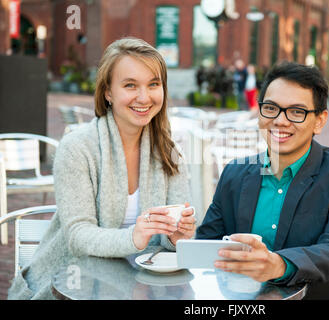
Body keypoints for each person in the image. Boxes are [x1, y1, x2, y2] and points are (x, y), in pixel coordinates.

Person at [8, 37, 196, 299]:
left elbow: (171, 241)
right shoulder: (77, 147)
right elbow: (78, 235)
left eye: (154, 84)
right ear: (108, 92)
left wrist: (177, 236)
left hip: (145, 287)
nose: (144, 97)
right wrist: (134, 237)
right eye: (130, 85)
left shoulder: (170, 153)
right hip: (71, 286)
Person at [196, 62, 329, 300]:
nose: (280, 121)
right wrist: (181, 240)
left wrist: (278, 264)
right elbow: (208, 245)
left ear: (319, 121)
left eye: (297, 112)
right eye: (271, 108)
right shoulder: (234, 173)